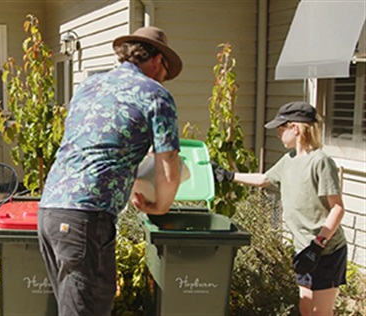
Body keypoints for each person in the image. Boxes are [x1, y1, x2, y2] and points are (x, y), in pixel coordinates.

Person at [37, 26, 183, 316]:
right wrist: (158, 206)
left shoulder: (88, 87)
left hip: (51, 211)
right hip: (86, 219)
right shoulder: (156, 95)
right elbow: (169, 164)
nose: (165, 77)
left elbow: (100, 147)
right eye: (166, 70)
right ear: (157, 61)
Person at [213, 101, 347, 316]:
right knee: (305, 307)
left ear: (295, 128)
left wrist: (318, 245)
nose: (277, 134)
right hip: (304, 249)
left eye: (280, 129)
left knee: (320, 312)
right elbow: (264, 179)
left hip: (326, 251)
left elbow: (338, 208)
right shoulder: (289, 160)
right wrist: (229, 175)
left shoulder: (320, 162)